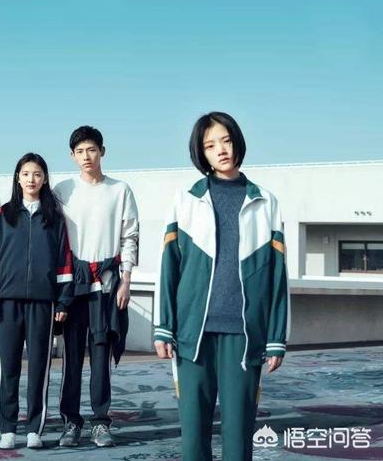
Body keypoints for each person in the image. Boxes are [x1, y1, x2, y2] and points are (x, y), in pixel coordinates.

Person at [153, 111, 290, 461]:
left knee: (239, 436)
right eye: (210, 145)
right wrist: (164, 327)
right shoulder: (186, 200)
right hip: (192, 335)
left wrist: (276, 337)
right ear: (201, 153)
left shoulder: (265, 202)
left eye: (226, 141)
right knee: (193, 437)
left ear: (237, 142)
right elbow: (169, 268)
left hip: (244, 336)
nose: (221, 150)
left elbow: (277, 277)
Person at [0, 152, 73, 450]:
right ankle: (7, 429)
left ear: (44, 179)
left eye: (37, 174)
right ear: (17, 178)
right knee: (8, 369)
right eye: (25, 174)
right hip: (7, 303)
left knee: (38, 370)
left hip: (43, 304)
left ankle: (35, 429)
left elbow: (64, 261)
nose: (31, 179)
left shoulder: (54, 218)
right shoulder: (4, 214)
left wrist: (63, 301)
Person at [53, 125, 139, 447]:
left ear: (102, 151)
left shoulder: (120, 190)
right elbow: (53, 237)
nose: (86, 156)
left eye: (91, 150)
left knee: (101, 356)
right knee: (72, 358)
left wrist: (126, 280)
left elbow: (130, 237)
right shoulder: (63, 190)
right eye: (79, 152)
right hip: (72, 286)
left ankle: (101, 422)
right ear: (72, 156)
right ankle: (71, 422)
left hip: (106, 284)